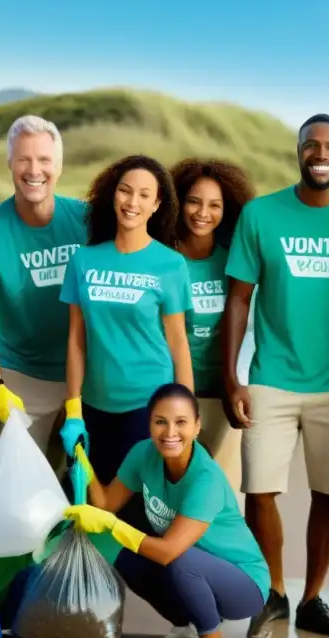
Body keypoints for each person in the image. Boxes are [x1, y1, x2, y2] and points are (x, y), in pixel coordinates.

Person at [222, 114, 329, 638]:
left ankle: (313, 598)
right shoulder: (260, 215)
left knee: (328, 491)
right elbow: (239, 300)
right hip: (270, 375)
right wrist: (231, 376)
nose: (321, 153)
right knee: (260, 489)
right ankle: (273, 593)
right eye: (312, 145)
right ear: (298, 152)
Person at [4, 384, 271, 638]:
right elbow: (106, 503)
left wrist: (113, 525)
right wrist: (83, 461)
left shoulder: (205, 479)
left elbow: (169, 551)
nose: (170, 431)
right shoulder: (142, 454)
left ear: (197, 426)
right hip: (192, 569)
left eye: (181, 422)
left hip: (243, 584)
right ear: (150, 424)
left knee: (178, 558)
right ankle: (186, 620)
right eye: (161, 421)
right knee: (113, 545)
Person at [58, 154, 193, 504]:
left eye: (144, 195)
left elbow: (178, 343)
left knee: (134, 508)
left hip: (148, 405)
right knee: (88, 505)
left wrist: (186, 415)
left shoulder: (170, 264)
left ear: (156, 204)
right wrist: (73, 409)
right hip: (93, 404)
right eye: (125, 191)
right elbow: (76, 340)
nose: (132, 202)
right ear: (112, 195)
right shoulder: (84, 260)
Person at [0, 115, 88, 474]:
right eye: (24, 159)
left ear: (59, 166)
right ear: (10, 164)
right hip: (19, 378)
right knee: (15, 500)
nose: (34, 170)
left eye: (44, 160)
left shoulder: (88, 221)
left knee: (74, 496)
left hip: (81, 377)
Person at [169, 157, 255, 489]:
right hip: (171, 394)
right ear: (178, 203)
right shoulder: (163, 259)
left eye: (214, 205)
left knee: (218, 490)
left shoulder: (234, 261)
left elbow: (250, 327)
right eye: (194, 201)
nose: (203, 212)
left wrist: (239, 382)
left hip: (221, 393)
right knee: (173, 486)